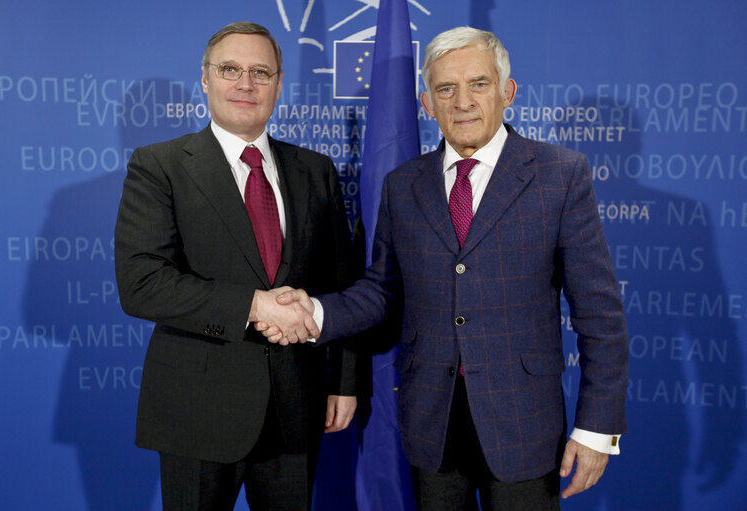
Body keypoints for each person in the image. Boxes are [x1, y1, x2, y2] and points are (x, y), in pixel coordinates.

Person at [257, 26, 628, 510]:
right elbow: (382, 290)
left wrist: (597, 428)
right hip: (430, 424)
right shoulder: (403, 184)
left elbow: (599, 314)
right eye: (446, 89)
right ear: (427, 103)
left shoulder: (560, 175)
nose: (463, 102)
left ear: (507, 92)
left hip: (523, 425)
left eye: (479, 84)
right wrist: (315, 314)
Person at [114, 21, 359, 511]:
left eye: (260, 72)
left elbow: (343, 284)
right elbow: (142, 285)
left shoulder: (316, 170)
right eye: (230, 70)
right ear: (205, 79)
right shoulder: (159, 165)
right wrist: (253, 305)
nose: (245, 84)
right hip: (197, 410)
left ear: (278, 83)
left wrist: (343, 383)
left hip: (296, 406)